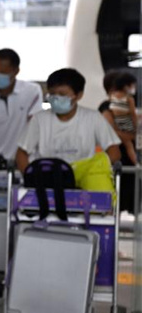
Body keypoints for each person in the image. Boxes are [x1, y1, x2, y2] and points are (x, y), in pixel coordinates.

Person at [16, 68, 121, 173]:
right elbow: (21, 153)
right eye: (52, 94)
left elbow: (114, 152)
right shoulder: (39, 119)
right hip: (47, 177)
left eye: (62, 94)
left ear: (78, 95)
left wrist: (94, 168)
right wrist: (30, 177)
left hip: (85, 176)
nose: (56, 98)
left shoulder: (93, 118)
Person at [100, 71, 139, 213]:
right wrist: (129, 137)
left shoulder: (128, 104)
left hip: (128, 154)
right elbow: (109, 129)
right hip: (117, 156)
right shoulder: (106, 106)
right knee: (118, 193)